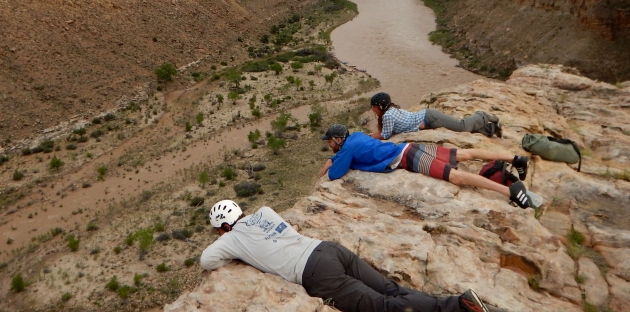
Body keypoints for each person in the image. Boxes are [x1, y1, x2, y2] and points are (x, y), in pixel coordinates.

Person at [202, 199, 490, 312]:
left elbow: (207, 260)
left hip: (315, 272)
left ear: (224, 227)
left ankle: (460, 308)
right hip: (328, 248)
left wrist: (232, 247)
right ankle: (456, 303)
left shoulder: (232, 239)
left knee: (382, 306)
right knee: (391, 288)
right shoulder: (264, 211)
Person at [318, 124, 538, 209]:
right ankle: (514, 158)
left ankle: (510, 191)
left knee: (456, 177)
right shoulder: (356, 136)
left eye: (330, 141)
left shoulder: (346, 149)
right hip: (409, 147)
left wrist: (332, 161)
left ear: (338, 139)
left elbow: (335, 175)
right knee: (463, 154)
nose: (329, 145)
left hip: (407, 158)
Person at [369, 92, 502, 139]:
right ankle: (491, 128)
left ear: (380, 106)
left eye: (374, 107)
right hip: (429, 120)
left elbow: (385, 135)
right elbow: (385, 131)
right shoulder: (390, 111)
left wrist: (367, 136)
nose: (373, 110)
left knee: (462, 127)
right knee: (461, 130)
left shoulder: (387, 116)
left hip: (431, 118)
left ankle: (483, 115)